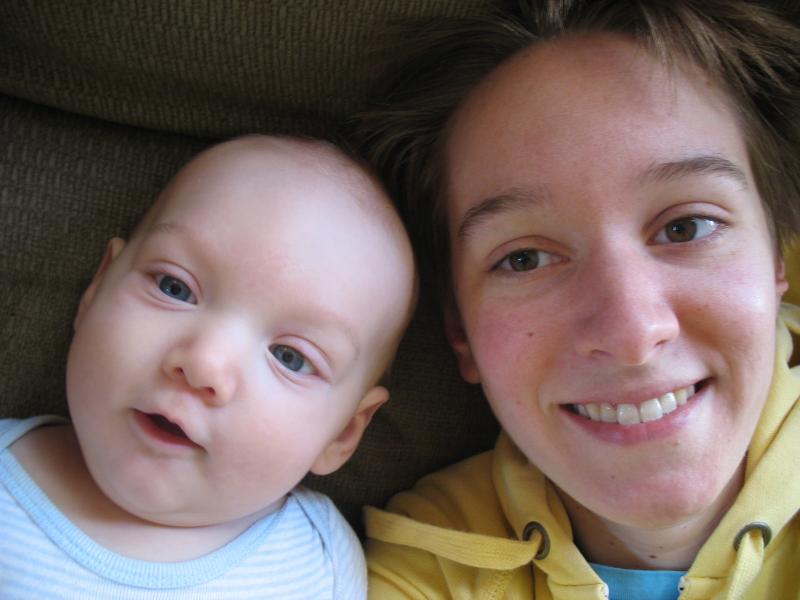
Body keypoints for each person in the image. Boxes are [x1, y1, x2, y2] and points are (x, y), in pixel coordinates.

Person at [356, 1, 800, 598]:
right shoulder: (420, 568)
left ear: (777, 259)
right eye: (525, 259)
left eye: (687, 227)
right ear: (460, 332)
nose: (631, 334)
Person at [0, 135, 417, 598]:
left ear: (342, 434)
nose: (204, 365)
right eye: (174, 287)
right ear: (97, 289)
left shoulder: (320, 563)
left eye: (291, 358)